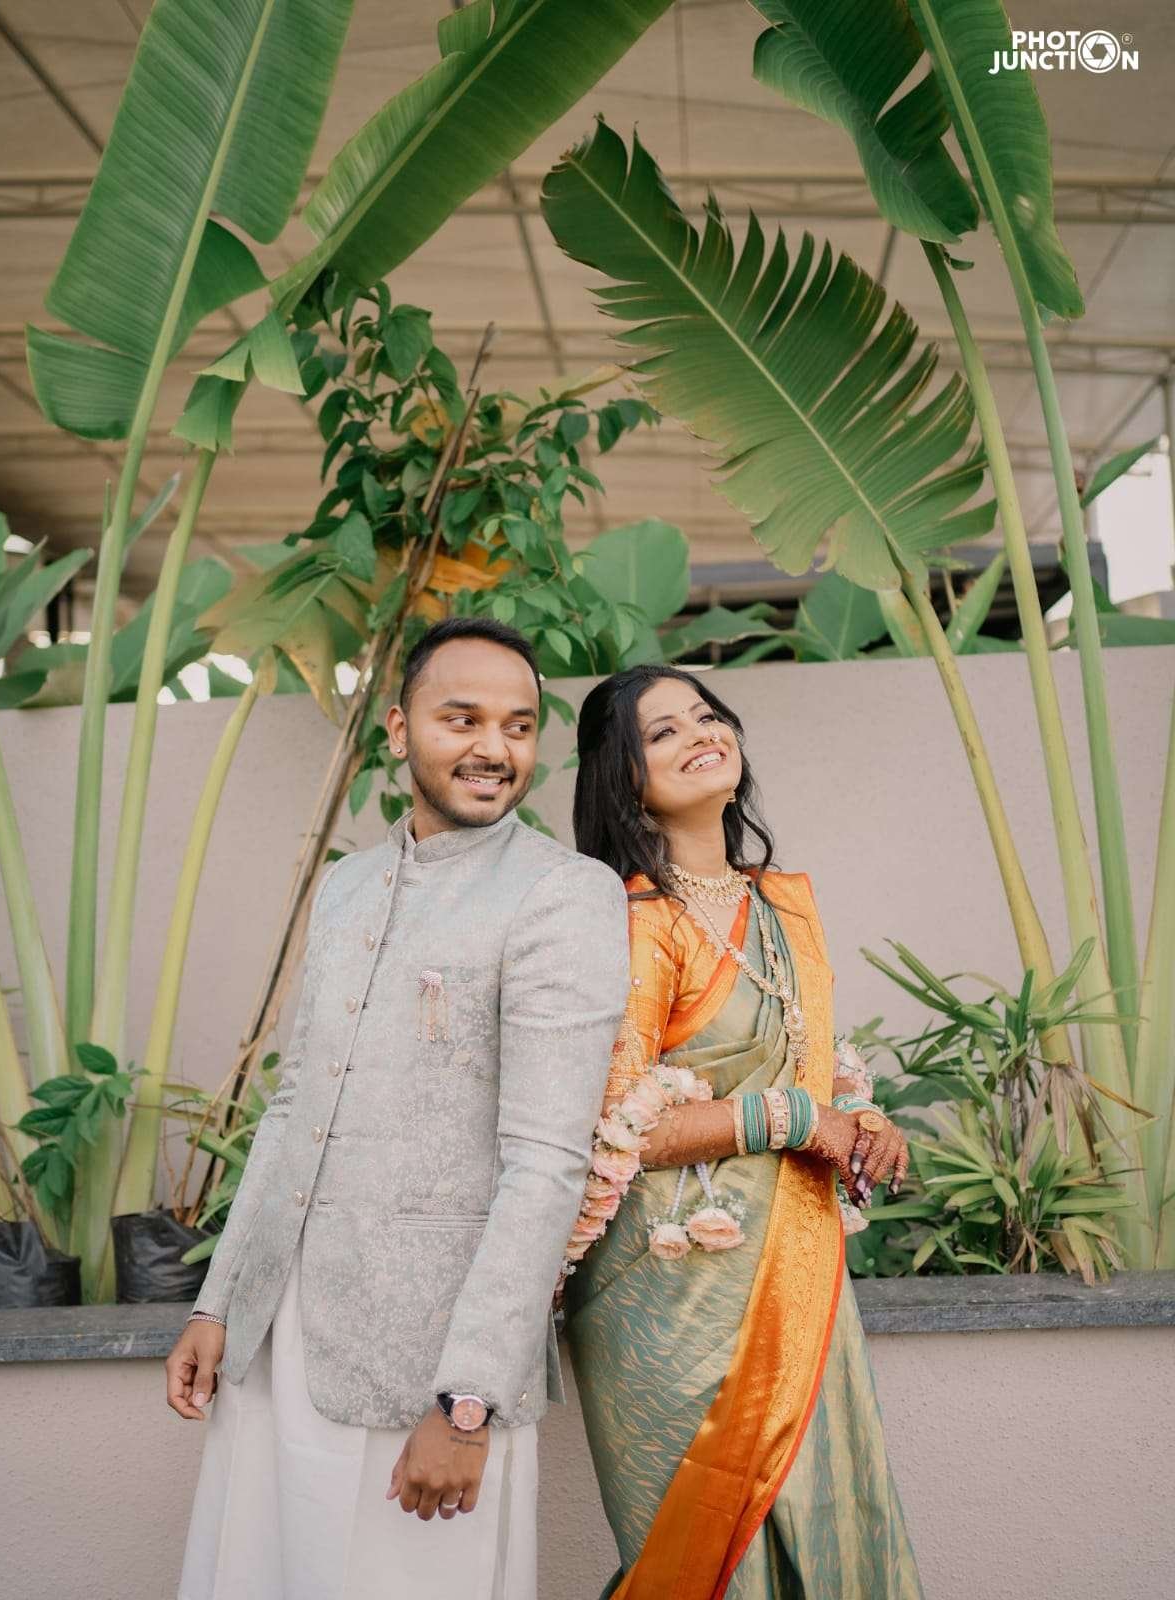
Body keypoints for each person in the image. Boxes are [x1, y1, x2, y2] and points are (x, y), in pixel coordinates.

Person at [167, 617, 630, 1600]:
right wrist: (219, 1301)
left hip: (429, 1357)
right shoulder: (347, 885)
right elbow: (295, 1103)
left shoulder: (562, 894)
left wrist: (468, 1402)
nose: (493, 747)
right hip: (281, 1338)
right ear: (397, 727)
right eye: (461, 718)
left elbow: (546, 1164)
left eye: (517, 725)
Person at [560, 664, 922, 1600]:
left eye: (706, 715)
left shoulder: (782, 905)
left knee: (825, 1511)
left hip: (795, 1260)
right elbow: (612, 1128)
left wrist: (861, 1117)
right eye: (663, 732)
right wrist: (795, 1117)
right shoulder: (637, 922)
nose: (699, 734)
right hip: (672, 1287)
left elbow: (812, 1056)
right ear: (623, 777)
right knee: (706, 1548)